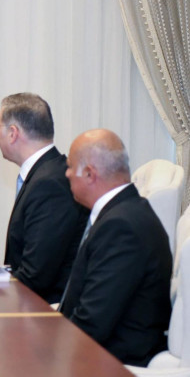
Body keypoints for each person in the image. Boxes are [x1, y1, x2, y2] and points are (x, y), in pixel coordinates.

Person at [60, 129, 171, 367]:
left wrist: (46, 347)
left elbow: (91, 325)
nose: (66, 173)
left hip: (113, 363)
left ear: (89, 174)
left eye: (70, 166)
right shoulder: (124, 212)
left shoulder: (121, 227)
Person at [0, 93, 88, 303]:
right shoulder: (46, 172)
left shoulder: (50, 184)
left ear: (13, 133)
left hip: (42, 311)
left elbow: (35, 276)